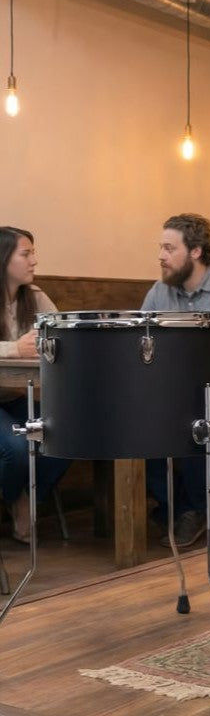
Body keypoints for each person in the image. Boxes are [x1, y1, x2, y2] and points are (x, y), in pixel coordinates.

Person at [142, 213, 210, 547]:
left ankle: (191, 510)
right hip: (166, 392)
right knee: (132, 422)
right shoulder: (159, 291)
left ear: (196, 251)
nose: (160, 255)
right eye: (161, 247)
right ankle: (179, 508)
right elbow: (141, 340)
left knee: (193, 417)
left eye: (168, 248)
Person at [0, 226, 70, 544]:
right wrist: (14, 348)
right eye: (25, 254)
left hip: (19, 396)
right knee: (16, 450)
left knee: (70, 435)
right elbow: (18, 349)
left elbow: (64, 337)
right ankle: (18, 503)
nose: (34, 261)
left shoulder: (37, 296)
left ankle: (25, 499)